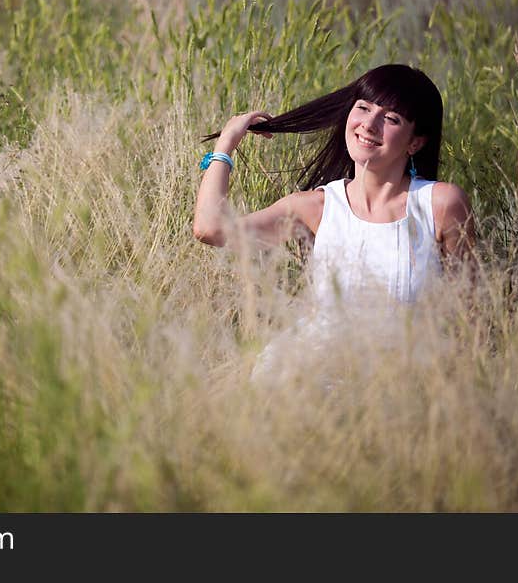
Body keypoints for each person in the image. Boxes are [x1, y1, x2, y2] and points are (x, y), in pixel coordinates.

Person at [192, 64, 475, 384]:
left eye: (391, 118)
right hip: (303, 384)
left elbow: (467, 316)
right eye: (364, 108)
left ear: (415, 143)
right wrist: (226, 143)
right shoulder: (317, 207)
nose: (370, 124)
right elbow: (210, 228)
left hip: (400, 393)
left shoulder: (440, 205)